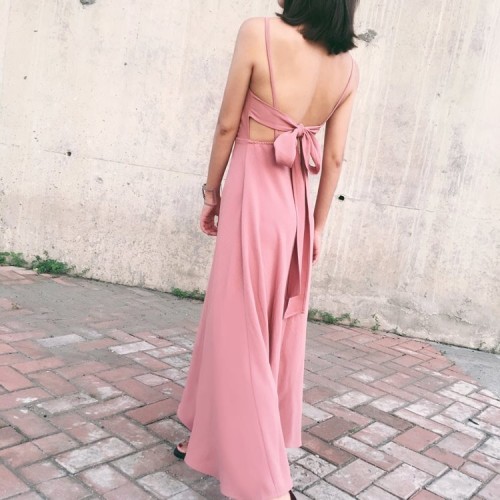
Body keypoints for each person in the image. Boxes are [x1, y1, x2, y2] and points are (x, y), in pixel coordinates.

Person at [175, 1, 360, 498]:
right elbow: (335, 158)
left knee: (241, 329)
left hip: (252, 199)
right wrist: (317, 227)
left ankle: (265, 483)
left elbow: (226, 124)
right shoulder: (346, 67)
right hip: (295, 209)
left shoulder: (258, 32)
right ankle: (208, 436)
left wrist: (211, 193)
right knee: (257, 325)